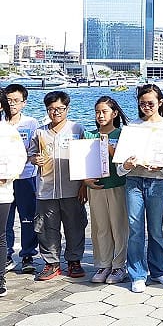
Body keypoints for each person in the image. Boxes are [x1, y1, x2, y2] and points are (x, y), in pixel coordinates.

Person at [117, 84, 163, 293]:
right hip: (134, 181)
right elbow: (120, 167)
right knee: (135, 228)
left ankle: (160, 270)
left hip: (157, 182)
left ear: (160, 103)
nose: (146, 107)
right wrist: (127, 165)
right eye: (142, 103)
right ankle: (137, 273)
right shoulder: (132, 127)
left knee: (155, 229)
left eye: (150, 103)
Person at [31, 91, 87, 281]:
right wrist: (34, 159)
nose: (56, 112)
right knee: (46, 227)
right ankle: (51, 263)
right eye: (51, 109)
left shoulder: (77, 129)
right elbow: (30, 154)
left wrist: (84, 185)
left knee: (75, 225)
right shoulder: (39, 132)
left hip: (72, 188)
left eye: (60, 108)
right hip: (46, 189)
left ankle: (74, 260)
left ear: (67, 108)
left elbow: (87, 158)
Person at [84, 96, 129, 285]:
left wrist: (110, 149)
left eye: (104, 111)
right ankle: (103, 264)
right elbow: (81, 162)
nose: (100, 115)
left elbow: (126, 163)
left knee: (119, 227)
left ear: (115, 113)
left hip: (117, 184)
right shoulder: (89, 135)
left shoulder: (122, 134)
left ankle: (119, 265)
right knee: (100, 227)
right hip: (96, 187)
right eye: (97, 112)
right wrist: (85, 180)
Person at [3, 84, 39, 274]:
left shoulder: (31, 123)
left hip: (26, 176)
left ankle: (28, 255)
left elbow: (35, 149)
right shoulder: (1, 123)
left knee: (27, 218)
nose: (12, 104)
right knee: (5, 219)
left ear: (24, 102)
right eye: (8, 100)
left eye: (16, 100)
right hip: (4, 180)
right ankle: (6, 255)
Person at [0, 88, 29, 296]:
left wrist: (5, 176)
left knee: (0, 236)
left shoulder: (9, 131)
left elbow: (19, 158)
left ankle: (0, 279)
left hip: (1, 191)